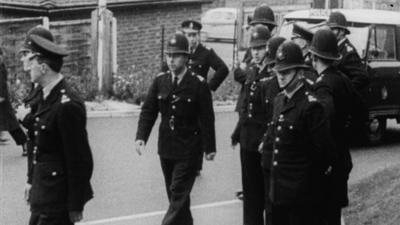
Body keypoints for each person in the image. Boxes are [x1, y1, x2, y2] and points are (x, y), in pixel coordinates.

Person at [135, 33, 216, 225]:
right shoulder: (160, 81)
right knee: (176, 197)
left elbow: (207, 118)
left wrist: (209, 147)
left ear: (186, 58)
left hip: (189, 149)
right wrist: (141, 136)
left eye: (176, 55)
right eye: (168, 55)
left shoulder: (198, 84)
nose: (171, 60)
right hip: (166, 147)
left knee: (178, 191)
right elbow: (149, 111)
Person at [22, 31, 94, 225]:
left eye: (31, 61)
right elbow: (39, 147)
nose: (27, 67)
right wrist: (32, 181)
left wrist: (75, 205)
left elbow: (80, 160)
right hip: (44, 192)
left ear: (44, 67)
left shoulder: (67, 105)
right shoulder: (45, 96)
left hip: (57, 199)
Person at [263, 41, 334, 225]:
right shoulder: (279, 100)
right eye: (279, 72)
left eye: (286, 72)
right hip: (277, 192)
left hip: (300, 196)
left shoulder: (311, 106)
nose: (281, 77)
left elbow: (321, 154)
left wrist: (308, 190)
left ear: (300, 73)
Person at [309, 29, 365, 225]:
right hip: (341, 156)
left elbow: (325, 119)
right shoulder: (342, 79)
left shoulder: (322, 85)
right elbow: (362, 112)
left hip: (326, 162)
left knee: (322, 214)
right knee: (333, 213)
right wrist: (345, 135)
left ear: (314, 57)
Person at [231, 24, 271, 225]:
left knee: (267, 195)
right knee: (251, 195)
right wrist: (237, 133)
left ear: (268, 49)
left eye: (260, 48)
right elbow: (245, 106)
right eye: (253, 48)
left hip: (264, 143)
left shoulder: (274, 73)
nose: (256, 53)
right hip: (248, 141)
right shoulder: (252, 72)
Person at [180, 20, 228, 175]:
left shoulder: (206, 53)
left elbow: (223, 69)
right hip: (181, 99)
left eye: (194, 35)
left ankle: (196, 166)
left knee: (199, 130)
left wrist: (209, 87)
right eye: (188, 35)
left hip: (198, 101)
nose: (191, 39)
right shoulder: (179, 52)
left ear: (199, 36)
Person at [327, 11, 369, 91]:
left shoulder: (349, 53)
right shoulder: (335, 48)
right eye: (330, 29)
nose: (330, 32)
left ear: (342, 31)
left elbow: (362, 77)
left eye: (333, 29)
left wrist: (344, 93)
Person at [0, 47, 28, 155]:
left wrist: (1, 96)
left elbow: (2, 84)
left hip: (2, 100)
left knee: (11, 124)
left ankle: (25, 142)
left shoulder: (1, 67)